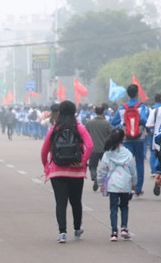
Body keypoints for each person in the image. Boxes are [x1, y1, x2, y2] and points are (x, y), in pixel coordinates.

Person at [41, 100, 93, 243]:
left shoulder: (54, 129)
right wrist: (82, 162)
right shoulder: (79, 128)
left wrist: (47, 166)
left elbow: (44, 151)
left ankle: (62, 232)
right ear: (74, 112)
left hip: (57, 171)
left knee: (60, 202)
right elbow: (90, 145)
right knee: (76, 201)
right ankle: (77, 228)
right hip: (76, 171)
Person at [97, 128, 137, 241]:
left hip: (112, 185)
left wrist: (101, 183)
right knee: (124, 206)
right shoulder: (128, 153)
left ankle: (114, 232)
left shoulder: (108, 154)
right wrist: (134, 184)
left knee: (113, 208)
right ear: (123, 138)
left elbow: (102, 170)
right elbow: (133, 170)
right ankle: (124, 228)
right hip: (126, 184)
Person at [112, 84, 150, 196]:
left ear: (127, 94)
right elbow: (143, 119)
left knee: (126, 163)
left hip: (126, 139)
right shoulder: (141, 106)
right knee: (139, 163)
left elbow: (113, 122)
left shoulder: (122, 108)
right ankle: (138, 188)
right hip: (139, 138)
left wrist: (123, 125)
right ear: (137, 94)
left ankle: (127, 187)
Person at [85, 104, 112, 191]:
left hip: (93, 149)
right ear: (103, 111)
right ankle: (104, 184)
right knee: (105, 167)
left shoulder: (89, 123)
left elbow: (85, 135)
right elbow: (111, 135)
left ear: (94, 111)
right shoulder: (106, 123)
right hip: (104, 149)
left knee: (92, 166)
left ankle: (94, 177)